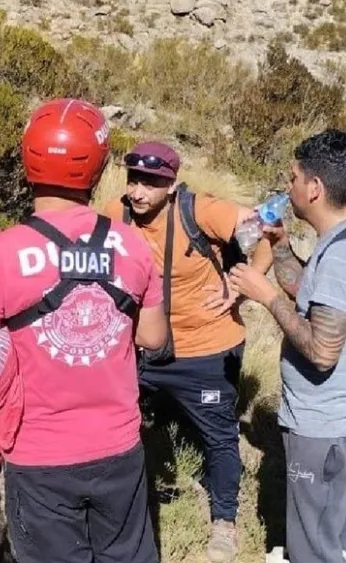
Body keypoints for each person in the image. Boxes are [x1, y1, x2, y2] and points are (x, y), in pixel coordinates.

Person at [0, 98, 169, 563]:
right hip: (118, 446)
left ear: (27, 163)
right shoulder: (132, 244)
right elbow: (153, 338)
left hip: (38, 453)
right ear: (99, 167)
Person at [104, 141, 273, 563]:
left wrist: (246, 281)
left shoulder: (200, 211)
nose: (139, 191)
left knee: (217, 435)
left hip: (206, 347)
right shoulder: (115, 212)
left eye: (152, 182)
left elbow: (269, 227)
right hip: (142, 347)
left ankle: (224, 522)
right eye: (134, 179)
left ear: (173, 185)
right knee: (119, 424)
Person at [228, 129, 346, 563]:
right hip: (344, 421)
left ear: (314, 188)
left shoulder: (342, 257)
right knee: (340, 533)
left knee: (313, 546)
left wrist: (265, 296)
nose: (287, 187)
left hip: (325, 427)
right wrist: (280, 247)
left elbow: (321, 352)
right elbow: (314, 296)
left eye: (293, 177)